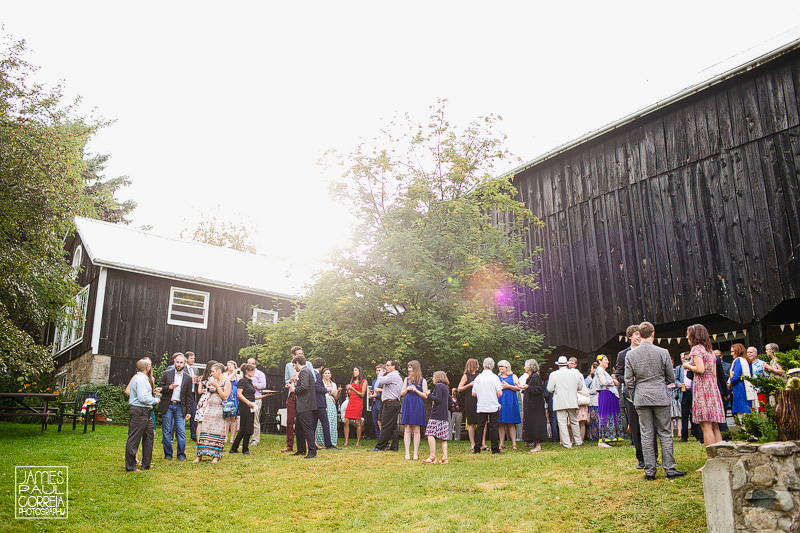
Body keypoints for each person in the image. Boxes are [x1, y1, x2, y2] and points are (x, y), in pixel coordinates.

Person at [624, 321, 685, 480]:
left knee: (646, 433)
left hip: (641, 396)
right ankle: (670, 468)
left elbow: (628, 381)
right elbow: (671, 377)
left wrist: (634, 395)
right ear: (653, 333)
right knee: (665, 432)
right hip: (659, 394)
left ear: (639, 334)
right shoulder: (663, 352)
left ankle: (650, 470)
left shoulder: (631, 354)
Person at [682, 324, 726, 467]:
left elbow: (700, 369)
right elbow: (713, 373)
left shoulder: (696, 349)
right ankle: (721, 458)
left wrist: (687, 366)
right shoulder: (710, 350)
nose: (686, 337)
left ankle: (711, 461)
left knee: (706, 426)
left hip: (702, 388)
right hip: (712, 387)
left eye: (688, 334)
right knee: (715, 426)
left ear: (694, 335)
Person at [614, 324, 655, 469]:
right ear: (629, 337)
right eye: (635, 334)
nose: (638, 337)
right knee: (636, 427)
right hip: (631, 395)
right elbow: (618, 375)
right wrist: (630, 379)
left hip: (648, 393)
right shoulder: (623, 355)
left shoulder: (648, 350)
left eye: (640, 334)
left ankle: (654, 457)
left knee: (651, 426)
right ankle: (641, 459)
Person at [230, 364, 274, 455]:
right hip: (245, 406)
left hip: (251, 405)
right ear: (247, 371)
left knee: (244, 428)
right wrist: (248, 402)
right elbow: (239, 394)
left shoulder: (250, 382)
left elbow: (253, 397)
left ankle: (234, 448)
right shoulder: (242, 381)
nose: (254, 372)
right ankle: (245, 449)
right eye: (252, 371)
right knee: (247, 427)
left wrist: (265, 395)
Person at [156, 353, 192, 461]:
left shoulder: (187, 378)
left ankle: (181, 454)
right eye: (177, 362)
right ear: (174, 362)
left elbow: (189, 396)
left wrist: (189, 411)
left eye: (181, 363)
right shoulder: (167, 374)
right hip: (168, 405)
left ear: (185, 364)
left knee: (181, 431)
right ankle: (168, 454)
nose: (179, 364)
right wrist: (169, 387)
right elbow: (160, 388)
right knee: (166, 431)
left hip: (180, 407)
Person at [126, 359, 160, 472]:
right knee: (134, 438)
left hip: (146, 412)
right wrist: (155, 400)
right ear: (147, 368)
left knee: (149, 436)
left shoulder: (142, 378)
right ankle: (131, 466)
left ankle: (146, 463)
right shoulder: (140, 380)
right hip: (139, 411)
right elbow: (142, 398)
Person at [194, 363, 231, 463]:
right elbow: (209, 395)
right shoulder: (213, 381)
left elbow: (225, 396)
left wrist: (217, 387)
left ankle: (216, 455)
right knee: (205, 430)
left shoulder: (226, 382)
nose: (211, 373)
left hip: (219, 408)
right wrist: (204, 408)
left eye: (213, 371)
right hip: (210, 407)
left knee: (217, 431)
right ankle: (200, 454)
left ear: (219, 371)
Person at [547, 356, 584, 449]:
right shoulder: (574, 374)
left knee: (562, 422)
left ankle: (567, 443)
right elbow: (580, 386)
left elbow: (550, 389)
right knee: (574, 421)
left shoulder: (554, 375)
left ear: (558, 365)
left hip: (560, 400)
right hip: (572, 400)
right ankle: (578, 441)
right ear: (567, 364)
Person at [472, 357, 503, 454]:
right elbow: (500, 393)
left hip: (481, 405)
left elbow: (474, 393)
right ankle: (495, 448)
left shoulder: (478, 378)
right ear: (493, 366)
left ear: (483, 365)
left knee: (480, 427)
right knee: (494, 426)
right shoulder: (495, 377)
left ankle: (477, 448)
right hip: (493, 405)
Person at [593, 354, 624, 447]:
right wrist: (613, 381)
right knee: (605, 414)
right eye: (605, 360)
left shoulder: (603, 371)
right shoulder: (599, 370)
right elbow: (604, 382)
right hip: (605, 393)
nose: (607, 361)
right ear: (600, 361)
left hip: (609, 394)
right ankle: (602, 440)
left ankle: (611, 436)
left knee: (611, 414)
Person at [372, 359, 402, 452]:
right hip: (394, 403)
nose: (386, 367)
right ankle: (394, 446)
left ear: (394, 367)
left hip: (390, 403)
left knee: (384, 424)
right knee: (393, 426)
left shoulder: (392, 375)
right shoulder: (396, 376)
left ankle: (380, 446)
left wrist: (381, 373)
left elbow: (380, 380)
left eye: (388, 365)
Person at [291, 354, 318, 459]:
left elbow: (304, 387)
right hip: (302, 404)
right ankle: (301, 449)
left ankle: (312, 452)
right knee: (299, 427)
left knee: (306, 427)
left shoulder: (304, 371)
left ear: (297, 363)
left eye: (294, 365)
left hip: (305, 404)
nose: (294, 368)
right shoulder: (305, 371)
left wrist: (294, 390)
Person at [401, 360, 429, 460]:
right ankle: (407, 453)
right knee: (407, 428)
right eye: (408, 367)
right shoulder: (406, 379)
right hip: (408, 403)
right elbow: (402, 393)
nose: (409, 370)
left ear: (415, 368)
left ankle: (415, 453)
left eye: (410, 368)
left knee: (416, 429)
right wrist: (407, 389)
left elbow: (425, 396)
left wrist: (416, 390)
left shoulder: (423, 381)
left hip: (417, 404)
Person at [424, 371, 452, 464]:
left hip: (436, 415)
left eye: (434, 377)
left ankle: (432, 456)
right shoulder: (446, 388)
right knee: (442, 437)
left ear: (438, 377)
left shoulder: (438, 386)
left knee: (430, 433)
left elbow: (437, 399)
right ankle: (445, 458)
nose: (432, 379)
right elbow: (450, 402)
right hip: (444, 416)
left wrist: (429, 395)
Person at [281, 346, 305, 453]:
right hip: (292, 395)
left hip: (302, 395)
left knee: (303, 420)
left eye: (302, 353)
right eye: (298, 354)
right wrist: (290, 381)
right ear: (293, 355)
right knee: (290, 420)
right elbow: (286, 380)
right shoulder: (288, 366)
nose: (301, 355)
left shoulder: (307, 364)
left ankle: (305, 443)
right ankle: (289, 445)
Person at [675, 351, 703, 443]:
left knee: (695, 414)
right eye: (683, 359)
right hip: (684, 392)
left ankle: (697, 434)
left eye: (685, 358)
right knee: (684, 414)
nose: (684, 360)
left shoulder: (693, 367)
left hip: (693, 392)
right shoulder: (678, 368)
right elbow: (675, 379)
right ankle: (684, 436)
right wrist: (678, 384)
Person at [521, 359, 548, 452]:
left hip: (535, 406)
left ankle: (538, 445)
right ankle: (533, 443)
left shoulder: (535, 377)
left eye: (526, 365)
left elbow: (539, 390)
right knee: (532, 423)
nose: (524, 367)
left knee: (536, 424)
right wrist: (523, 387)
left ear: (530, 367)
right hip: (531, 405)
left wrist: (528, 387)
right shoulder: (531, 377)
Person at [457, 358, 482, 451]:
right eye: (477, 364)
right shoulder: (465, 376)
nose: (479, 366)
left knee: (482, 422)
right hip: (469, 400)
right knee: (471, 422)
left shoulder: (480, 375)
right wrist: (469, 385)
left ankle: (482, 443)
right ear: (473, 366)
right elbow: (459, 388)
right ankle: (472, 444)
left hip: (480, 400)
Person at [311, 358, 336, 449]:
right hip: (320, 403)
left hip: (313, 402)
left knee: (313, 424)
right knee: (325, 423)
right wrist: (326, 390)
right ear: (321, 367)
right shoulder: (317, 375)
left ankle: (312, 443)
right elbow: (316, 387)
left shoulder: (311, 373)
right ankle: (328, 444)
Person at [497, 360, 521, 450]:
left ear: (507, 367)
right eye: (499, 367)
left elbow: (518, 388)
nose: (501, 369)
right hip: (500, 400)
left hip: (510, 400)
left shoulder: (513, 376)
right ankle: (501, 443)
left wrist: (508, 386)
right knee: (501, 423)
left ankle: (514, 443)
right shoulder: (497, 377)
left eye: (502, 367)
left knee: (511, 422)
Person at [730, 343, 756, 422]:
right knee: (748, 411)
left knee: (742, 413)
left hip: (740, 389)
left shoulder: (738, 360)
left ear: (737, 351)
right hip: (748, 387)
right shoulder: (747, 360)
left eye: (732, 351)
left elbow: (736, 377)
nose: (731, 354)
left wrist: (730, 383)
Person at [343, 366, 368, 447]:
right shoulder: (352, 381)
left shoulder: (364, 381)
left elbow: (362, 394)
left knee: (358, 422)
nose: (354, 372)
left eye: (355, 370)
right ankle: (346, 441)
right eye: (353, 370)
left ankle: (358, 442)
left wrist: (353, 389)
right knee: (346, 421)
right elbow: (350, 395)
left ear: (360, 371)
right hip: (351, 402)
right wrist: (348, 391)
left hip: (358, 403)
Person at [194, 360, 218, 439]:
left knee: (200, 422)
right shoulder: (213, 378)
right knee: (210, 420)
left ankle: (198, 440)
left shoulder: (202, 377)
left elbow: (199, 391)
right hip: (211, 397)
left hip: (203, 398)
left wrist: (205, 390)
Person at [316, 368, 340, 447]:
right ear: (323, 374)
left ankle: (331, 440)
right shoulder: (320, 382)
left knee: (331, 421)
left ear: (330, 375)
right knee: (321, 422)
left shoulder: (333, 384)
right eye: (325, 373)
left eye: (328, 373)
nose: (327, 375)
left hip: (331, 403)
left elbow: (336, 397)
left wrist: (339, 392)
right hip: (322, 401)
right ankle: (320, 441)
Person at [247, 357, 267, 447]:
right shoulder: (246, 374)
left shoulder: (260, 374)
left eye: (253, 363)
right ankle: (247, 438)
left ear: (255, 364)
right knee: (247, 419)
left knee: (255, 419)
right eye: (249, 363)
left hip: (257, 397)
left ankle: (255, 439)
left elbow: (263, 385)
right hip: (247, 398)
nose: (251, 365)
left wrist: (255, 386)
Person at [222, 360, 240, 443]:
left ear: (235, 366)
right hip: (228, 395)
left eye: (231, 365)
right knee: (227, 417)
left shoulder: (238, 376)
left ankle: (232, 437)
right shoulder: (225, 374)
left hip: (235, 397)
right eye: (228, 365)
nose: (230, 366)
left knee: (234, 418)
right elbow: (227, 381)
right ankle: (225, 436)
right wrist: (233, 373)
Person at [369, 364, 385, 443]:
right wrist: (371, 395)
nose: (378, 372)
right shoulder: (374, 381)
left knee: (381, 423)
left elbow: (385, 392)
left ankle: (384, 441)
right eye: (377, 370)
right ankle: (379, 441)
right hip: (374, 403)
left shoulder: (384, 380)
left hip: (381, 403)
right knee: (375, 423)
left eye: (379, 370)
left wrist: (377, 395)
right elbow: (373, 390)